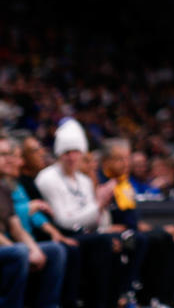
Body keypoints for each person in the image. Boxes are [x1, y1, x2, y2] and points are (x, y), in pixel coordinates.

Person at [34, 119, 119, 308]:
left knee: (125, 239)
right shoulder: (47, 178)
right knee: (101, 242)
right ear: (58, 154)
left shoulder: (84, 181)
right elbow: (64, 221)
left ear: (82, 153)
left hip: (84, 234)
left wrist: (101, 206)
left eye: (75, 152)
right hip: (62, 235)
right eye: (66, 152)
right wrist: (98, 205)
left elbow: (96, 223)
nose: (71, 157)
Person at [99, 138, 174, 307]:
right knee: (142, 239)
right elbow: (99, 215)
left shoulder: (124, 183)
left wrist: (158, 228)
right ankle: (131, 295)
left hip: (130, 229)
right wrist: (106, 228)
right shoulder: (101, 182)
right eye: (119, 159)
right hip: (114, 234)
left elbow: (132, 218)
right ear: (106, 161)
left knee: (170, 235)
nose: (125, 163)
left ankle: (165, 297)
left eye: (126, 158)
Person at [0, 136, 66, 308]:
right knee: (19, 252)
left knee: (55, 250)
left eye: (9, 154)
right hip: (5, 245)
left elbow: (16, 228)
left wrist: (34, 249)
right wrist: (21, 249)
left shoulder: (5, 188)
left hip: (9, 244)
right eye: (3, 155)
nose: (10, 160)